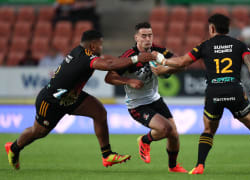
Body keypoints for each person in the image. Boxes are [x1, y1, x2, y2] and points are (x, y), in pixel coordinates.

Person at [152, 14, 250, 174]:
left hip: (214, 92)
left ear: (212, 28)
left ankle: (200, 165)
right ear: (227, 29)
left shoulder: (204, 45)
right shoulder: (238, 44)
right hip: (234, 90)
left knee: (208, 130)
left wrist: (162, 61)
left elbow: (182, 62)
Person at [5, 30, 155, 170]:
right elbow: (108, 65)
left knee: (99, 112)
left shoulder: (81, 51)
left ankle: (107, 155)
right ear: (92, 45)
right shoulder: (84, 58)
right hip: (51, 101)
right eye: (100, 44)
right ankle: (13, 148)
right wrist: (136, 59)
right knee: (38, 132)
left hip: (71, 97)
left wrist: (125, 60)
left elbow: (107, 60)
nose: (102, 47)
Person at [104, 22, 187, 173]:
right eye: (144, 36)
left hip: (155, 99)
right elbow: (109, 78)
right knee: (166, 129)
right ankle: (144, 140)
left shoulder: (158, 50)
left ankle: (173, 167)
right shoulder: (128, 57)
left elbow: (181, 64)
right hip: (137, 105)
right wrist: (128, 81)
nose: (147, 39)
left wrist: (165, 69)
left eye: (150, 35)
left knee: (174, 134)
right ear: (136, 38)